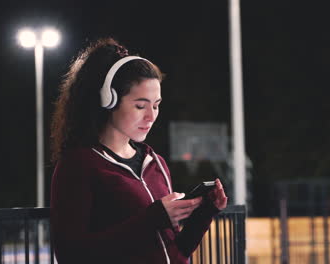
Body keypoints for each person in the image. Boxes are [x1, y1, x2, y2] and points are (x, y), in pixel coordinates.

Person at [50, 38, 228, 264]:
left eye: (156, 105)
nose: (151, 116)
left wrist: (205, 213)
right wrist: (153, 219)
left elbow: (176, 252)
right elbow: (71, 255)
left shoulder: (156, 163)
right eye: (140, 106)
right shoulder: (79, 164)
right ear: (109, 100)